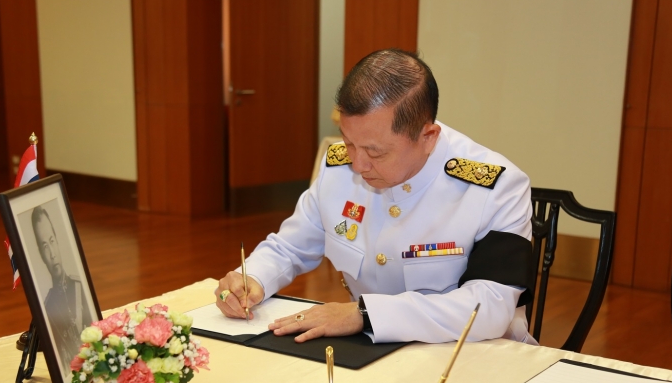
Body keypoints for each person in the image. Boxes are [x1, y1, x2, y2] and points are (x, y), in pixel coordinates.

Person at [216, 49, 537, 345]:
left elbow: (490, 306)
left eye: (375, 152)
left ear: (428, 137)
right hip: (367, 351)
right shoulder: (340, 167)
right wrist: (253, 278)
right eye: (349, 143)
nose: (357, 164)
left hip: (468, 356)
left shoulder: (494, 186)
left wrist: (364, 314)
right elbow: (291, 246)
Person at [31, 205, 93, 373]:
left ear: (57, 242)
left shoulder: (80, 286)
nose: (51, 253)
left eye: (52, 241)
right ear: (41, 255)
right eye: (45, 246)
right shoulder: (47, 308)